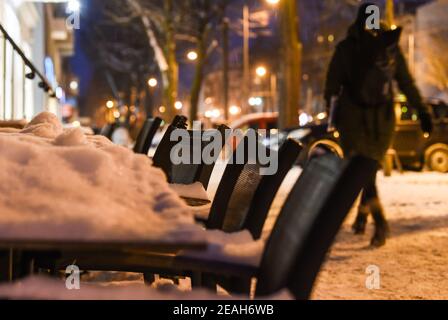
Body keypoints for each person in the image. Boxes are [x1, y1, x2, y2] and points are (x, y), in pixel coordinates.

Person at [324, 3, 433, 247]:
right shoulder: (389, 47)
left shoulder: (346, 48)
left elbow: (332, 87)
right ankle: (363, 217)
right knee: (369, 168)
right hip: (383, 121)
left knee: (362, 170)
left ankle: (379, 221)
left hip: (352, 120)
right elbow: (406, 83)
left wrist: (331, 116)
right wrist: (423, 113)